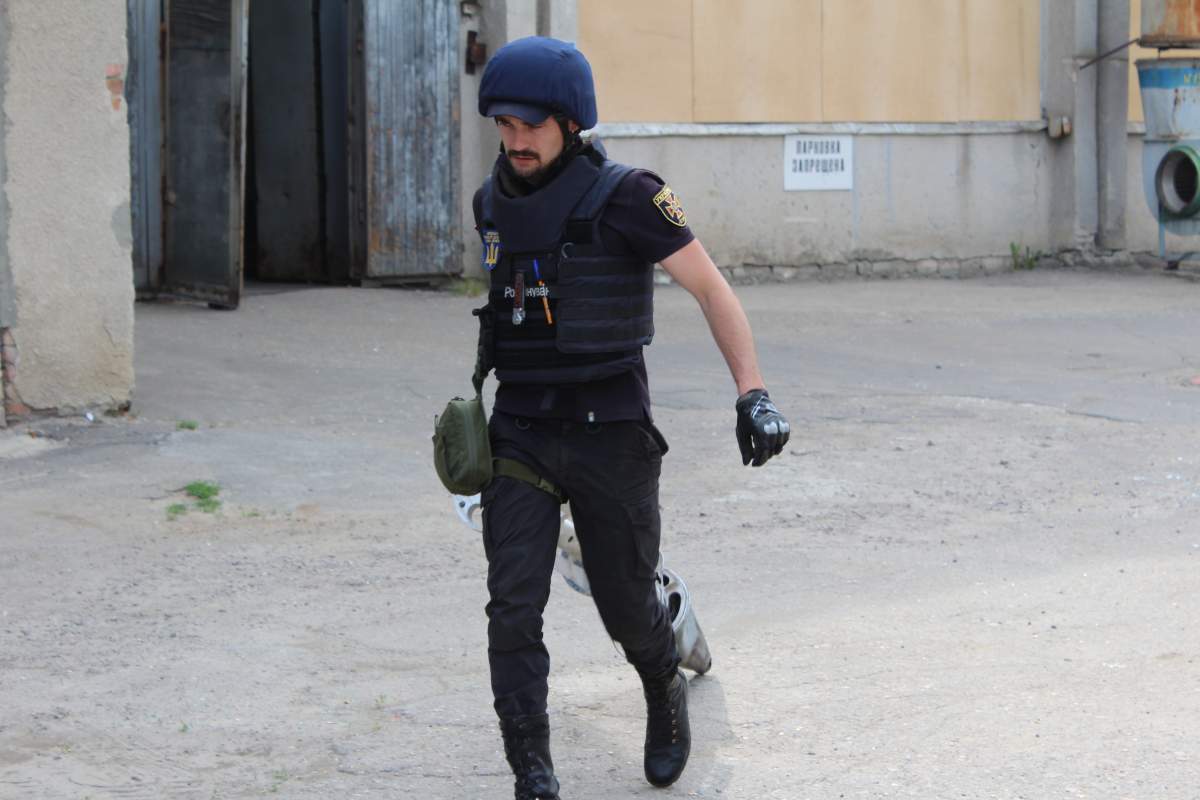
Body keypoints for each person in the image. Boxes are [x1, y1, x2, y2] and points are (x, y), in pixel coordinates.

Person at [471, 36, 790, 799]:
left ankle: (663, 684)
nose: (515, 141)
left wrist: (753, 393)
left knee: (624, 604)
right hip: (519, 427)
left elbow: (712, 290)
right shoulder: (491, 201)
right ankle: (533, 773)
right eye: (504, 125)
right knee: (512, 606)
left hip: (610, 429)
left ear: (570, 123)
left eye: (531, 126)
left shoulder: (630, 196)